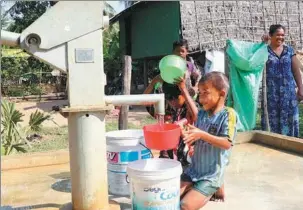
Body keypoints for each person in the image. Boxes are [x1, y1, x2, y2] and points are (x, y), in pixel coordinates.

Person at [180, 72, 238, 210]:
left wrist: (201, 134)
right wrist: (188, 135)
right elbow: (195, 118)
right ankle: (210, 189)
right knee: (169, 195)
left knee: (185, 206)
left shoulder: (228, 115)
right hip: (193, 170)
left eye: (205, 93)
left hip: (210, 175)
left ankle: (215, 187)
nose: (201, 98)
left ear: (222, 94)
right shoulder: (202, 114)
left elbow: (226, 143)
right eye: (199, 93)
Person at [261, 24, 303, 137]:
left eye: (283, 35)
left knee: (289, 119)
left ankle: (290, 144)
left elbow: (296, 70)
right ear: (270, 35)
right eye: (278, 35)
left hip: (288, 93)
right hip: (271, 94)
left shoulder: (289, 50)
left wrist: (300, 88)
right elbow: (252, 58)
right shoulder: (264, 50)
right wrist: (262, 44)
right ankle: (272, 146)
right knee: (272, 120)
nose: (281, 37)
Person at [158, 78, 199, 166]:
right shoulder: (176, 109)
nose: (172, 102)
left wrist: (183, 89)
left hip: (189, 159)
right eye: (168, 99)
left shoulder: (190, 107)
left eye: (174, 98)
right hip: (178, 158)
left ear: (183, 94)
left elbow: (196, 116)